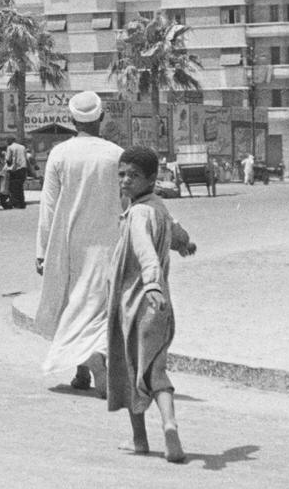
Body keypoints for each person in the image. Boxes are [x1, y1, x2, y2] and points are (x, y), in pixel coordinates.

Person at [106, 145, 197, 464]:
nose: (125, 181)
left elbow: (144, 251)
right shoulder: (158, 206)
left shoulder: (138, 214)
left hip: (138, 303)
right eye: (121, 175)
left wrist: (152, 285)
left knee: (132, 371)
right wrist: (185, 244)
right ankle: (169, 423)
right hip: (160, 307)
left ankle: (140, 440)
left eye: (133, 175)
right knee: (156, 370)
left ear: (151, 178)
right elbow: (175, 232)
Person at [34, 90, 124, 395]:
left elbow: (48, 205)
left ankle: (93, 368)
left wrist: (42, 251)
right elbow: (126, 203)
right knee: (96, 308)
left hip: (69, 247)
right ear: (101, 118)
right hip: (109, 245)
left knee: (72, 307)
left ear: (72, 120)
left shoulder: (60, 154)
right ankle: (85, 370)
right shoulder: (116, 154)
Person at [4, 133, 31, 208]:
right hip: (23, 169)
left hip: (15, 169)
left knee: (13, 187)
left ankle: (15, 203)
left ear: (10, 140)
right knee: (20, 187)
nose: (6, 142)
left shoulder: (10, 147)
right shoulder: (22, 147)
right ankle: (22, 203)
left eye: (7, 140)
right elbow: (26, 158)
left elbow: (8, 159)